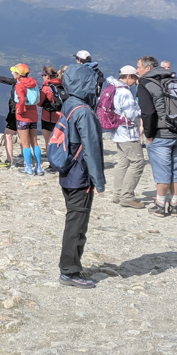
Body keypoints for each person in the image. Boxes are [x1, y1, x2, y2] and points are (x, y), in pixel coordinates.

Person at [56, 62, 106, 289]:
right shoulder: (85, 112)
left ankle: (71, 266)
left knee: (73, 220)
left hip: (67, 172)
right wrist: (98, 180)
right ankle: (70, 271)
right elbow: (92, 149)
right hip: (80, 177)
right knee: (77, 223)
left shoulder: (69, 104)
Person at [136, 55, 177, 216]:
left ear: (148, 68)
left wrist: (148, 135)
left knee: (162, 170)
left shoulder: (145, 84)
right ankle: (175, 204)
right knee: (176, 169)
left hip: (160, 133)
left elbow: (148, 112)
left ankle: (160, 204)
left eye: (139, 67)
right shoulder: (174, 80)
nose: (137, 70)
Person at [104, 66, 146, 208]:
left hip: (117, 132)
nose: (135, 81)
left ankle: (118, 194)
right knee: (138, 162)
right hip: (128, 132)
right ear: (128, 76)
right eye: (134, 77)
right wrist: (141, 110)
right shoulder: (125, 93)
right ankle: (127, 196)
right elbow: (130, 114)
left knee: (123, 162)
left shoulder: (114, 88)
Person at [11, 63, 43, 175]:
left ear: (19, 75)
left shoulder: (19, 85)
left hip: (23, 116)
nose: (12, 73)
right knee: (34, 141)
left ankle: (28, 167)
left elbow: (21, 99)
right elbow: (38, 99)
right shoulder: (33, 83)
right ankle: (39, 167)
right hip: (34, 114)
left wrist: (20, 110)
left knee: (24, 143)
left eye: (14, 71)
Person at [39, 65, 63, 148]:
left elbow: (39, 103)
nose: (42, 77)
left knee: (48, 140)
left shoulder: (45, 88)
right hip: (61, 115)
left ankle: (51, 157)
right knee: (59, 138)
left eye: (43, 75)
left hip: (48, 117)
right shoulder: (61, 85)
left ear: (47, 76)